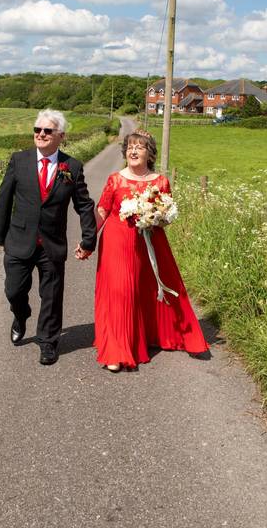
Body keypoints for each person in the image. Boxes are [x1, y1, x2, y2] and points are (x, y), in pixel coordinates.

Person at [93, 129, 209, 372]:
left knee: (145, 290)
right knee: (120, 293)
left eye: (140, 147)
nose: (133, 151)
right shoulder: (115, 179)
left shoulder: (160, 182)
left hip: (150, 242)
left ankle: (152, 334)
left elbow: (166, 216)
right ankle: (116, 351)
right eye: (130, 147)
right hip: (117, 242)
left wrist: (155, 218)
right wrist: (87, 241)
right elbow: (103, 211)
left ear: (149, 153)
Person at [0, 109, 97, 365]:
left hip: (51, 244)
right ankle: (21, 315)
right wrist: (0, 236)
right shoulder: (19, 160)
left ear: (60, 136)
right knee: (14, 290)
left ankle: (48, 342)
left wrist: (88, 239)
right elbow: (4, 199)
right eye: (37, 130)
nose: (40, 134)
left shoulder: (71, 166)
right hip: (19, 240)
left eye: (47, 131)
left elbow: (84, 205)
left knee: (51, 295)